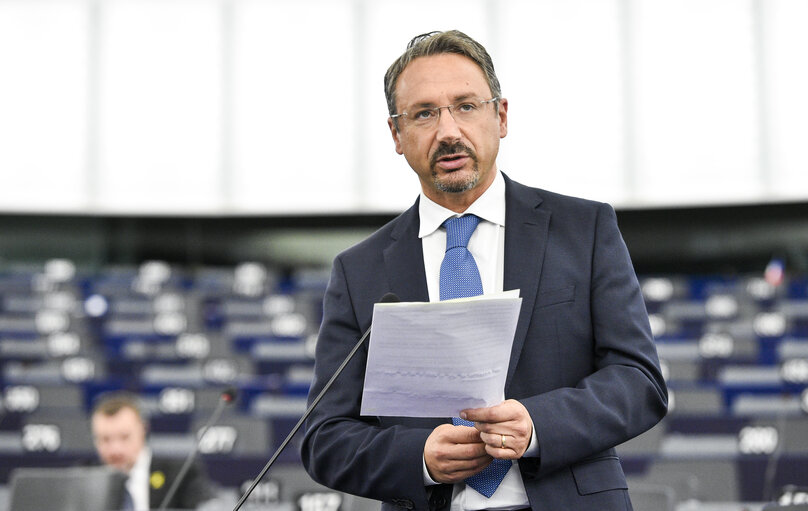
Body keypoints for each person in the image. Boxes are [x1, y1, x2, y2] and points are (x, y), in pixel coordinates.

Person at [300, 30, 667, 511]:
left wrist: (537, 425)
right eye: (425, 113)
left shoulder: (585, 229)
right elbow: (324, 437)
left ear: (502, 116)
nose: (448, 130)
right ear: (396, 134)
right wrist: (421, 458)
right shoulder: (358, 271)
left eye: (466, 106)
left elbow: (639, 380)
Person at [91, 392, 214, 510]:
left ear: (143, 431)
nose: (115, 449)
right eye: (105, 440)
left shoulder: (180, 474)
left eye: (124, 437)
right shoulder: (84, 479)